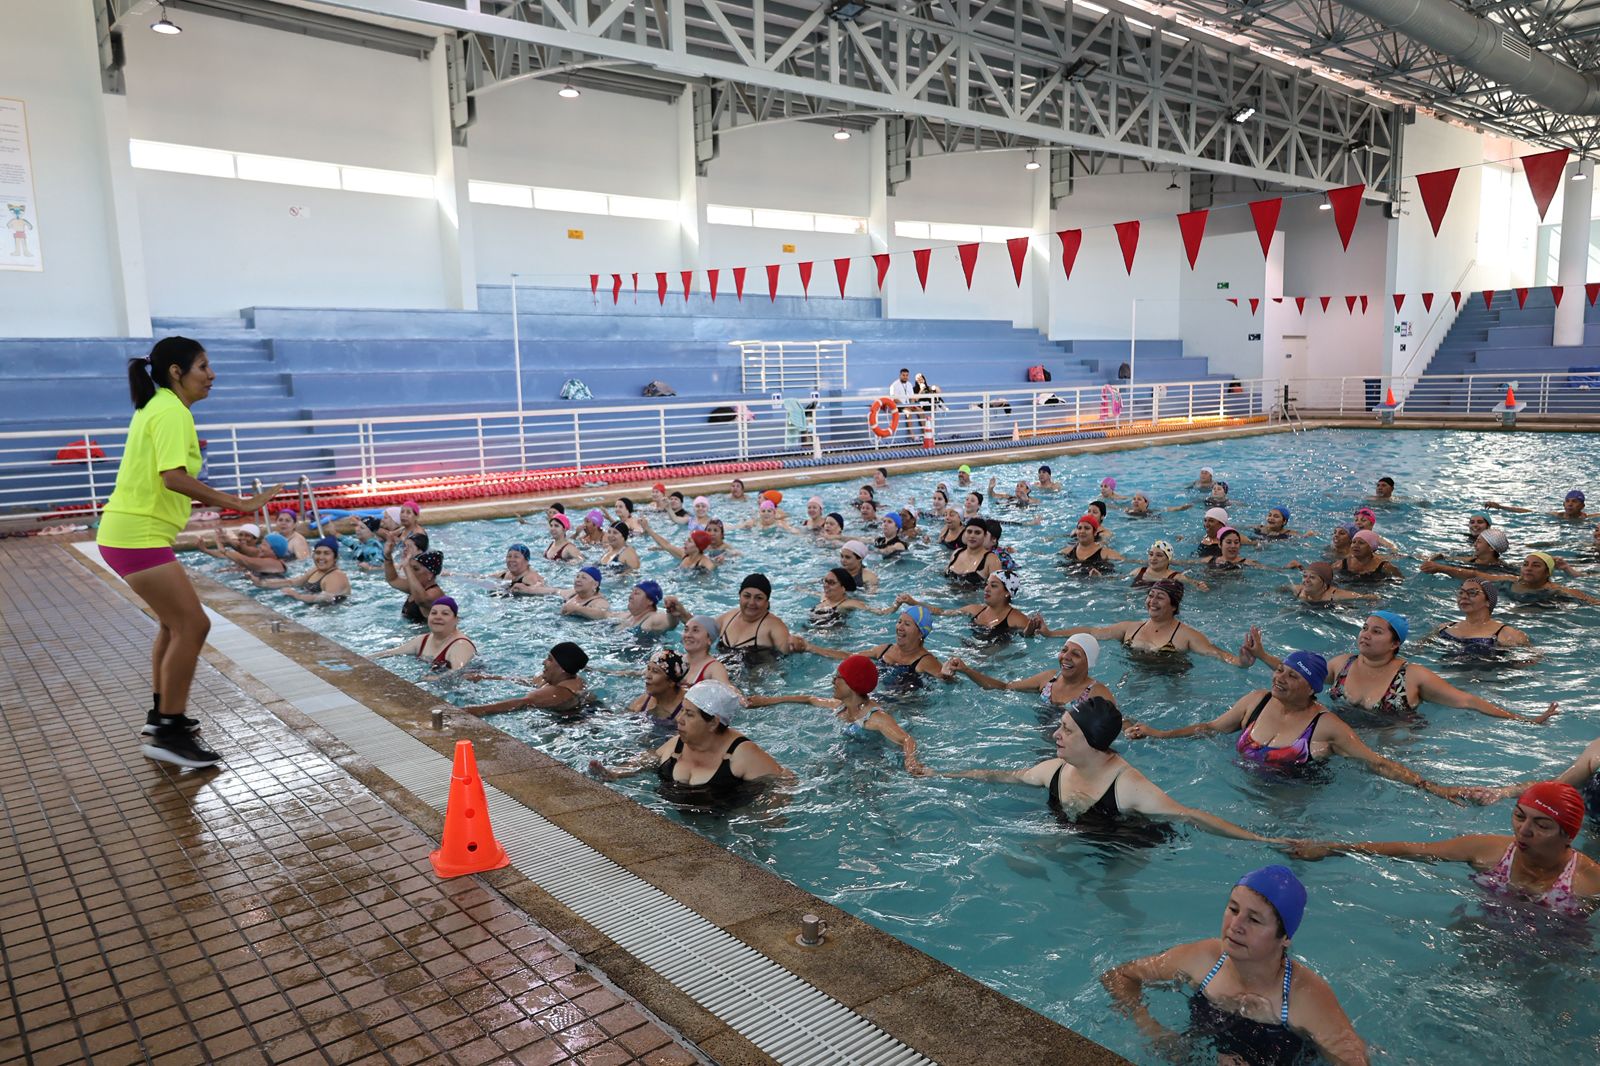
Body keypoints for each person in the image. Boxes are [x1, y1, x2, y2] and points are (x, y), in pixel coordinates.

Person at [96, 337, 282, 767]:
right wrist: (240, 504)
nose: (212, 374)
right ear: (177, 372)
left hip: (131, 531)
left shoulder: (159, 404)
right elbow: (173, 478)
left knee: (172, 625)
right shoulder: (171, 411)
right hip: (135, 533)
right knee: (193, 624)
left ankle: (163, 720)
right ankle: (168, 730)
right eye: (203, 366)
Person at [1101, 866, 1369, 1065]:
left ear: (1285, 937)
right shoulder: (1203, 959)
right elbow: (1119, 976)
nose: (1236, 926)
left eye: (1254, 920)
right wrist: (1150, 1027)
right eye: (1233, 909)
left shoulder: (1305, 997)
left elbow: (1354, 1060)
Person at [1126, 651, 1463, 797]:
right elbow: (1211, 728)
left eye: (1292, 676)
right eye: (1279, 671)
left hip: (1292, 800)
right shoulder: (1256, 701)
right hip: (1238, 787)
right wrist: (1159, 733)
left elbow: (1377, 764)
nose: (1280, 679)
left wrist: (1436, 788)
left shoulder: (1326, 726)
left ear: (1312, 687)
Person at [939, 699, 1274, 841]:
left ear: (1093, 740)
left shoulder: (1128, 787)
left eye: (1067, 730)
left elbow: (1192, 816)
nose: (1056, 735)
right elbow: (1006, 777)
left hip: (1126, 843)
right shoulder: (1055, 769)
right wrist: (940, 776)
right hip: (1083, 837)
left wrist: (1271, 840)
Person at [1292, 783, 1600, 919]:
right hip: (1484, 930)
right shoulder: (1487, 850)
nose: (1524, 830)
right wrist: (1333, 848)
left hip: (1555, 953)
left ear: (1568, 836)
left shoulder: (1587, 881)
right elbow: (1411, 849)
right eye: (1519, 816)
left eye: (1542, 825)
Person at [1242, 614, 1557, 723]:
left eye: (1376, 631)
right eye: (1365, 628)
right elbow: (1299, 677)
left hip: (1394, 742)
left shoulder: (1413, 675)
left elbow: (1467, 700)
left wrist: (1523, 719)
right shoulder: (1343, 663)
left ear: (1395, 643)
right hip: (1342, 734)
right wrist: (1264, 655)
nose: (1365, 635)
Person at [588, 680, 789, 798]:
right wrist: (615, 773)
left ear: (713, 723)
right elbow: (649, 759)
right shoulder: (677, 744)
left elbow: (785, 781)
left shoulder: (741, 753)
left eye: (690, 715)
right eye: (682, 711)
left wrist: (766, 817)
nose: (680, 719)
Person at [745, 655, 926, 775]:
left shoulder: (875, 718)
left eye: (838, 677)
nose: (833, 680)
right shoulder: (841, 707)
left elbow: (906, 739)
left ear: (852, 684)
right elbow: (809, 699)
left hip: (871, 766)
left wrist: (911, 760)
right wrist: (767, 701)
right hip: (847, 758)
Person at [1034, 580, 1251, 666]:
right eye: (1150, 595)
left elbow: (1217, 654)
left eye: (1159, 597)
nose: (1152, 601)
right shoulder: (1131, 627)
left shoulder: (1186, 635)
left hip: (1170, 685)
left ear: (1174, 605)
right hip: (1135, 676)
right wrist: (1051, 634)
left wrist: (1241, 661)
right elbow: (1092, 632)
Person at [943, 634, 1117, 709]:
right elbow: (1005, 687)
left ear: (1089, 662)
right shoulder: (1049, 679)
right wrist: (967, 670)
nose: (1066, 657)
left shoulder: (1097, 692)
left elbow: (1117, 722)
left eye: (1076, 654)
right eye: (1064, 650)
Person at [791, 606, 947, 687]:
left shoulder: (926, 661)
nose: (900, 627)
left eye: (907, 624)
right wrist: (810, 647)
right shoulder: (884, 649)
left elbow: (948, 681)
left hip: (908, 706)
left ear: (921, 633)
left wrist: (950, 673)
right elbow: (850, 657)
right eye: (899, 622)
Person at [1420, 551, 1598, 604]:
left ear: (1547, 573)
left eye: (1536, 566)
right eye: (1525, 564)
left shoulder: (1557, 590)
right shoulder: (1510, 580)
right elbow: (1475, 574)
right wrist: (1439, 568)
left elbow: (1591, 601)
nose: (1528, 569)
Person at [461, 642, 588, 715]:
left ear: (562, 668)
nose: (544, 662)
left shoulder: (558, 692)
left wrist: (474, 710)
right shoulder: (559, 678)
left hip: (571, 723)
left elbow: (521, 702)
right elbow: (528, 681)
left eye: (550, 659)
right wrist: (486, 677)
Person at [896, 571, 1029, 636]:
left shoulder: (1017, 619)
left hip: (995, 661)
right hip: (969, 651)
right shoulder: (974, 609)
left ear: (1007, 593)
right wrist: (914, 602)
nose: (986, 589)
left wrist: (1031, 631)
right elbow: (942, 613)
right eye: (987, 584)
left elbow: (1036, 634)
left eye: (993, 586)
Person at [372, 597, 476, 674]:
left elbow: (457, 672)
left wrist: (436, 678)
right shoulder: (422, 640)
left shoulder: (461, 645)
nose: (438, 617)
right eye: (434, 613)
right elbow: (391, 653)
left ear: (456, 620)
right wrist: (365, 659)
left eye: (445, 614)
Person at [703, 574, 792, 661]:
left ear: (767, 603)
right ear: (739, 597)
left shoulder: (774, 626)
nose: (751, 602)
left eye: (759, 598)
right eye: (747, 596)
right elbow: (701, 633)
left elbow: (787, 651)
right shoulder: (729, 617)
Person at [1428, 578, 1531, 650]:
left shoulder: (1507, 634)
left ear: (1488, 601)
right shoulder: (1444, 628)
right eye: (1461, 592)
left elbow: (1531, 659)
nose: (1464, 596)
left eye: (1472, 592)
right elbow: (1416, 650)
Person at [252, 536, 351, 603]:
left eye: (326, 553)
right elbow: (293, 582)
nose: (321, 557)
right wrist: (263, 583)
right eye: (318, 552)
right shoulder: (316, 570)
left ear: (335, 557)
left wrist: (298, 596)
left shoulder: (336, 576)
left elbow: (326, 599)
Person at [626, 647, 689, 732]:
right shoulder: (646, 699)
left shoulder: (686, 709)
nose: (647, 676)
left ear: (671, 682)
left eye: (655, 671)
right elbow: (621, 718)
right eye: (648, 669)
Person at [383, 540, 445, 624]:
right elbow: (392, 580)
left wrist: (406, 567)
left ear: (430, 574)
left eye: (415, 569)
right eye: (411, 568)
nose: (411, 572)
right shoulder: (417, 587)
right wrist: (387, 557)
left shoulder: (435, 594)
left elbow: (421, 600)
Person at [196, 525, 288, 575]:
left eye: (264, 545)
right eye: (241, 534)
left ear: (273, 550)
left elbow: (244, 557)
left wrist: (223, 547)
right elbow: (234, 554)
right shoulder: (266, 559)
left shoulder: (272, 563)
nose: (260, 546)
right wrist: (205, 550)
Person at [1281, 561, 1375, 605]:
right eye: (1305, 576)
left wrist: (1371, 604)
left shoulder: (1336, 595)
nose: (1306, 580)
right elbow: (1282, 588)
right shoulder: (1299, 589)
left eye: (1312, 577)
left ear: (1325, 584)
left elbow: (1371, 597)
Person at [641, 518, 718, 571]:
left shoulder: (706, 564)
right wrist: (648, 529)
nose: (685, 542)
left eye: (689, 541)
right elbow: (666, 545)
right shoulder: (684, 554)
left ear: (698, 547)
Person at [680, 614, 734, 688]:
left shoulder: (714, 668)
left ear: (709, 639)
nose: (688, 635)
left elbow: (730, 694)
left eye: (695, 630)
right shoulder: (677, 659)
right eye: (686, 630)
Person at [1129, 540, 1208, 591]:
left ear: (1168, 559)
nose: (1153, 558)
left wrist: (1200, 586)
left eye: (1159, 555)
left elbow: (1195, 583)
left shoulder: (1176, 577)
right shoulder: (1139, 571)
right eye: (1151, 554)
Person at [944, 519, 1001, 586]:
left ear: (985, 535)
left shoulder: (992, 560)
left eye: (977, 533)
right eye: (969, 531)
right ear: (964, 533)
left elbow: (997, 589)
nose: (972, 536)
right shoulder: (956, 553)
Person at [1333, 530, 1402, 582]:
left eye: (1361, 543)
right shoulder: (1341, 564)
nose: (1355, 546)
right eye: (1353, 542)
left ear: (1371, 548)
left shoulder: (1384, 566)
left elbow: (1399, 581)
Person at [1483, 489, 1588, 521]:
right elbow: (1528, 512)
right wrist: (1501, 507)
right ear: (1563, 504)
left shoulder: (1586, 518)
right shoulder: (1557, 516)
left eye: (1574, 502)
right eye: (1568, 501)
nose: (1570, 504)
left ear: (1582, 506)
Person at [887, 367, 916, 441]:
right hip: (899, 406)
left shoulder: (909, 384)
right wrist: (905, 406)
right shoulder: (894, 385)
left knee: (921, 411)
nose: (905, 377)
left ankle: (925, 433)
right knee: (908, 413)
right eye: (903, 375)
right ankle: (912, 435)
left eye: (907, 375)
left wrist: (912, 404)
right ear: (900, 375)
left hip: (908, 405)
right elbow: (894, 398)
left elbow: (912, 397)